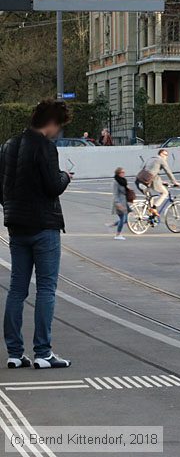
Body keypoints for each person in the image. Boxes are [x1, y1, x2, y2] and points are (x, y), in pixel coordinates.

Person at [0, 100, 73, 369]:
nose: (58, 132)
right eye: (59, 126)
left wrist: (12, 210)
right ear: (52, 123)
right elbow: (53, 186)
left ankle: (15, 353)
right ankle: (43, 352)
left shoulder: (8, 146)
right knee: (46, 289)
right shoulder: (45, 147)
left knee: (17, 289)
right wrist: (65, 176)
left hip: (17, 226)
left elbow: (3, 186)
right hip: (44, 226)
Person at [138, 149, 180, 217]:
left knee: (150, 198)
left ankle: (150, 217)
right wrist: (174, 182)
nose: (166, 157)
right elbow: (168, 172)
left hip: (140, 179)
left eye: (167, 155)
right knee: (165, 193)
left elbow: (147, 169)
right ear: (161, 154)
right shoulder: (161, 160)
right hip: (149, 179)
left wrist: (161, 182)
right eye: (165, 155)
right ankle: (154, 208)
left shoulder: (151, 159)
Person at [112, 167, 130, 240]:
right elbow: (115, 194)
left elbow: (125, 190)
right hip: (119, 202)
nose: (123, 174)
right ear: (118, 173)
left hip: (124, 202)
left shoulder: (123, 181)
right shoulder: (116, 182)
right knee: (123, 218)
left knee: (125, 220)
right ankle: (118, 234)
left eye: (124, 172)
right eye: (122, 172)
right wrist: (118, 203)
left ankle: (113, 224)